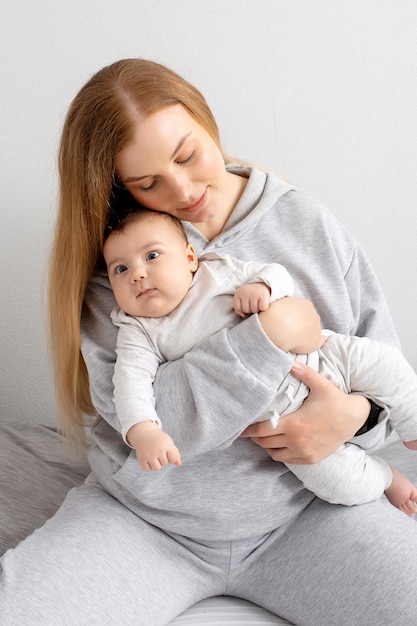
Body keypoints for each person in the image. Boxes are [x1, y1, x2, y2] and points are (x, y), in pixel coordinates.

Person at [1, 58, 417, 626]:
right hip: (146, 523)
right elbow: (151, 422)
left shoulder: (308, 225)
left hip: (307, 515)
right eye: (147, 184)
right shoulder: (124, 264)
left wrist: (355, 418)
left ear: (205, 120)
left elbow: (386, 369)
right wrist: (264, 339)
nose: (185, 189)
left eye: (188, 154)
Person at [104, 207, 417, 513]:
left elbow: (276, 272)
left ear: (189, 258)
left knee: (385, 363)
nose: (138, 275)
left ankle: (413, 425)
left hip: (321, 354)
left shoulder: (216, 270)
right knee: (342, 486)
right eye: (120, 269)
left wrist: (262, 286)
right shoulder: (138, 330)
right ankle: (385, 477)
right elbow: (130, 385)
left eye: (151, 256)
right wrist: (144, 431)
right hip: (280, 419)